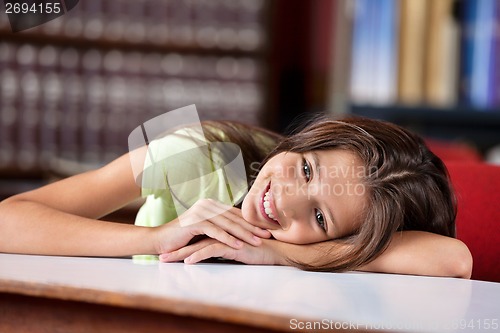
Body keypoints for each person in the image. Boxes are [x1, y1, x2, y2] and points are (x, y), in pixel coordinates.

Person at [0, 115, 472, 278]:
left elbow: (453, 260)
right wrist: (157, 237)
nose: (284, 199)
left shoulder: (296, 251)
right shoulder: (198, 156)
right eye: (306, 169)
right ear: (309, 140)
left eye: (321, 218)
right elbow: (9, 220)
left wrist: (279, 253)